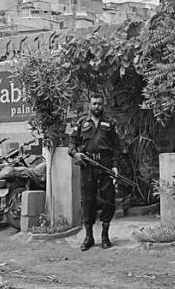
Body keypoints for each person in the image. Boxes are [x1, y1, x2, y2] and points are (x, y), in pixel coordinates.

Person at [69, 92, 122, 250]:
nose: (97, 106)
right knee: (88, 200)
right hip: (87, 165)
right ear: (89, 105)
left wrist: (115, 165)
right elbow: (72, 143)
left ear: (103, 105)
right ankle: (89, 237)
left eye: (99, 103)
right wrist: (75, 153)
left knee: (108, 199)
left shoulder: (110, 123)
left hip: (105, 164)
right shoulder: (82, 123)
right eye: (94, 104)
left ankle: (105, 236)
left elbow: (116, 147)